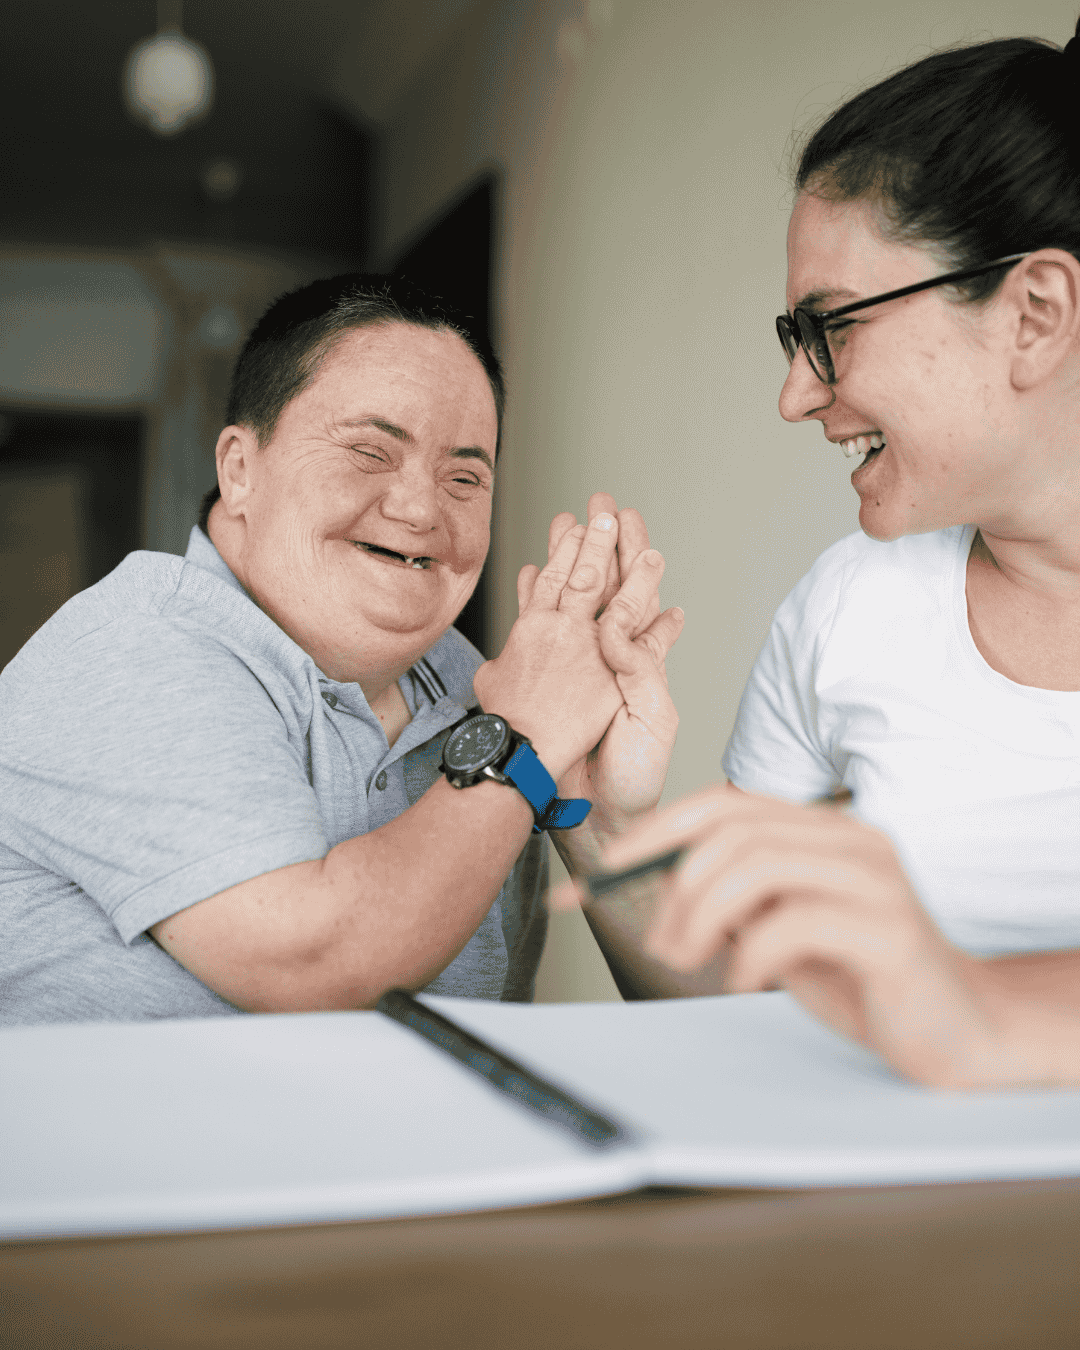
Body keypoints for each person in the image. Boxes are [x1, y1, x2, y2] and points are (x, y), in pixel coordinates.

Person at [568, 20, 1080, 1090]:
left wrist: (974, 1010)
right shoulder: (850, 607)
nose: (797, 395)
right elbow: (744, 1008)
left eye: (832, 327)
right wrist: (594, 809)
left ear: (1035, 312)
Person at [0, 275, 682, 1024]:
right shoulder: (133, 649)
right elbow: (314, 963)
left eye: (464, 476)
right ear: (239, 470)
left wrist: (595, 820)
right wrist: (523, 741)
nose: (421, 507)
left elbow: (711, 1023)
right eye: (368, 451)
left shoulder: (481, 690)